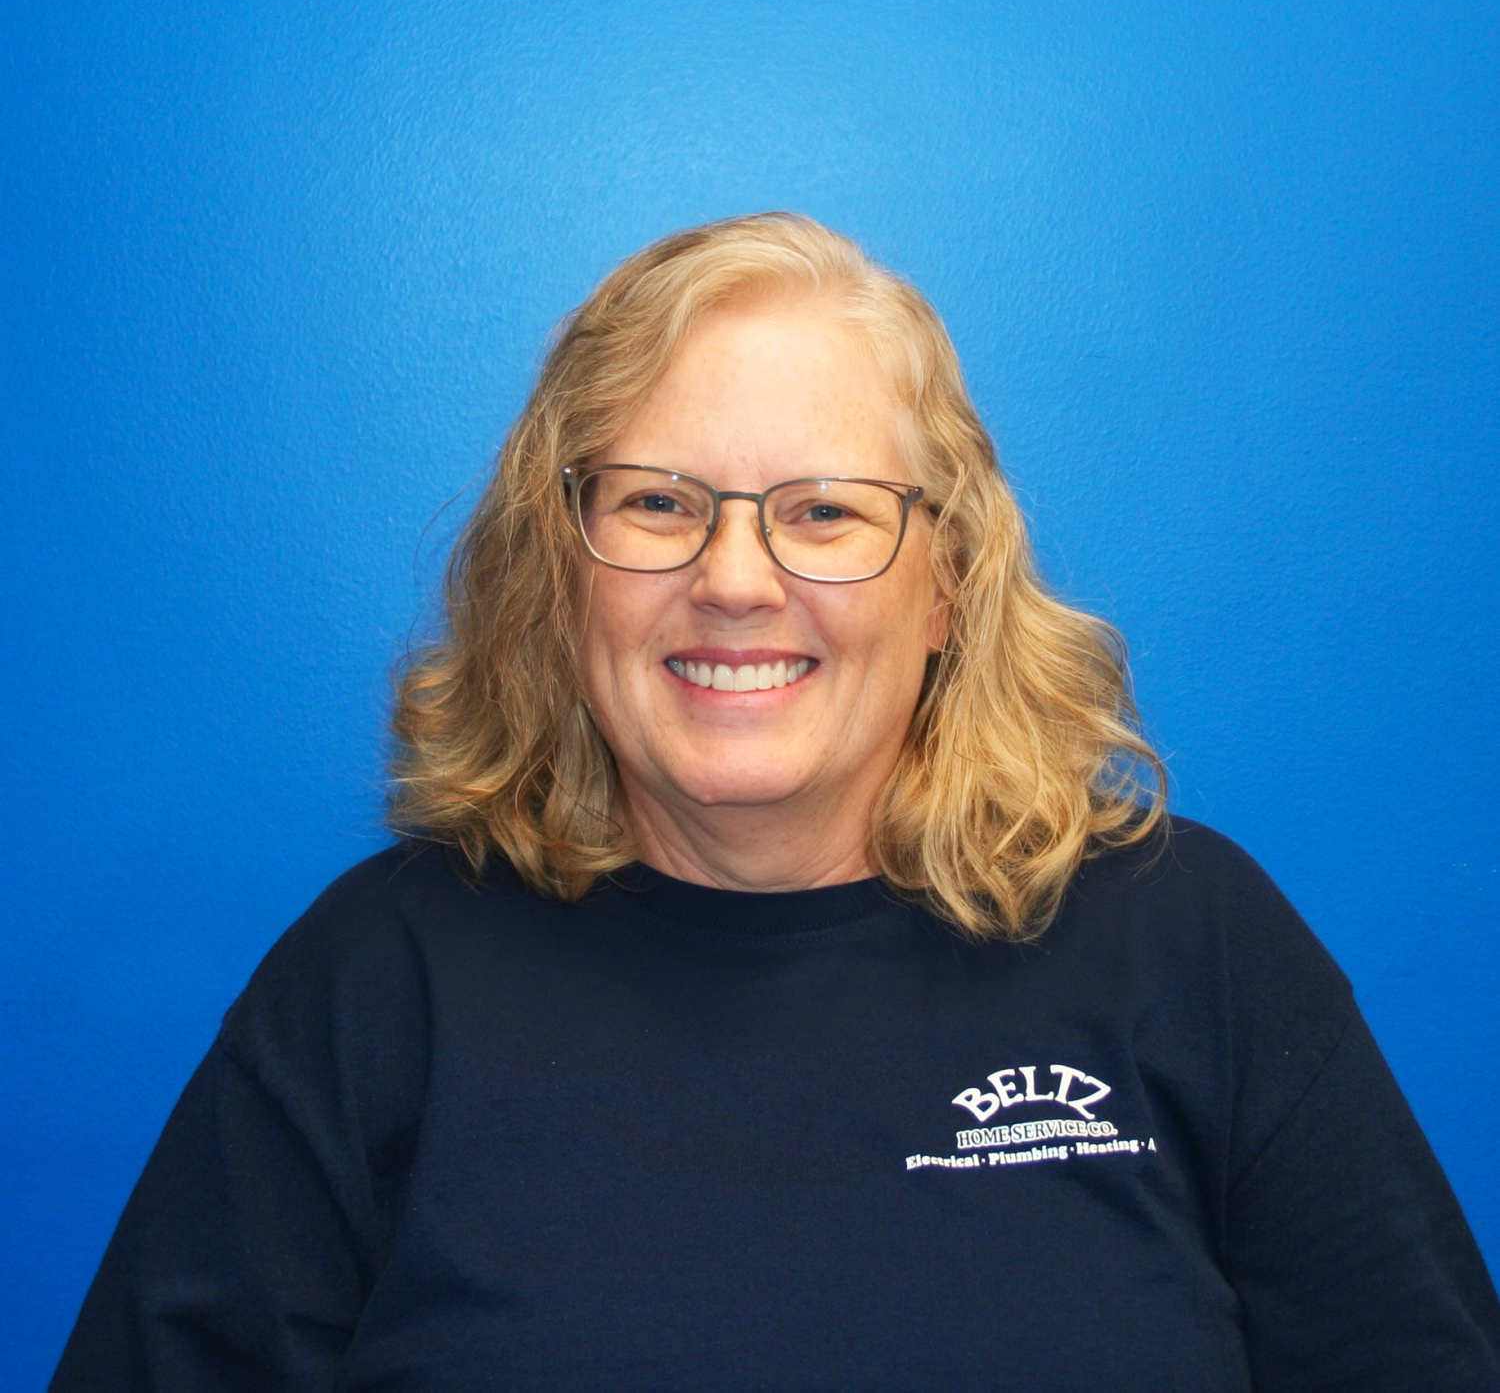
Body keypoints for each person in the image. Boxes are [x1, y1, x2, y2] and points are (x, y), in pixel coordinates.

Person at [53, 214, 1500, 1391]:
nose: (736, 579)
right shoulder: (377, 983)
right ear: (559, 577)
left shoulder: (1194, 946)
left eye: (824, 511)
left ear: (949, 588)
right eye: (659, 503)